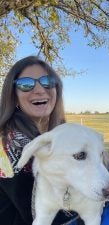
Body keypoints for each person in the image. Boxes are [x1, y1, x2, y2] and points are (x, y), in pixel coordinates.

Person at [0, 56, 78, 225]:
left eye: (47, 82)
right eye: (26, 84)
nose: (40, 90)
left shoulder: (55, 139)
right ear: (13, 95)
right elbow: (47, 214)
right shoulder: (8, 145)